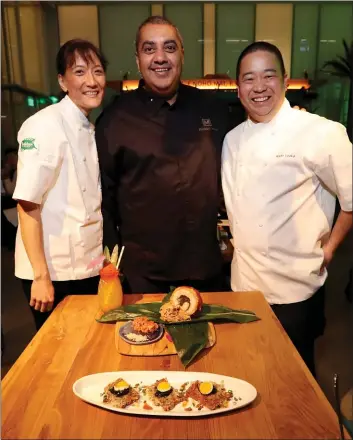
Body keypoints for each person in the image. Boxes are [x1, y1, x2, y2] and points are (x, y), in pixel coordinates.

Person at [221, 41, 352, 376]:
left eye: (269, 76)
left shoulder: (320, 133)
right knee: (248, 374)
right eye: (249, 79)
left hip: (295, 293)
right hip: (243, 287)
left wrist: (330, 249)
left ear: (285, 79)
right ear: (238, 88)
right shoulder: (232, 139)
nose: (259, 86)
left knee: (294, 385)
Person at [96, 16, 230, 294]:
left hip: (206, 269)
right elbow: (104, 202)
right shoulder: (114, 119)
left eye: (169, 47)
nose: (160, 57)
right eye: (149, 49)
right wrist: (112, 270)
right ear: (137, 60)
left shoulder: (214, 110)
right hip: (143, 277)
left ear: (182, 54)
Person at [13, 39, 107, 330]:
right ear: (62, 81)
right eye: (79, 72)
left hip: (83, 267)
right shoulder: (45, 125)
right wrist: (41, 277)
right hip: (54, 273)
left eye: (98, 71)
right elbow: (28, 204)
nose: (91, 81)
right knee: (57, 358)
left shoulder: (86, 125)